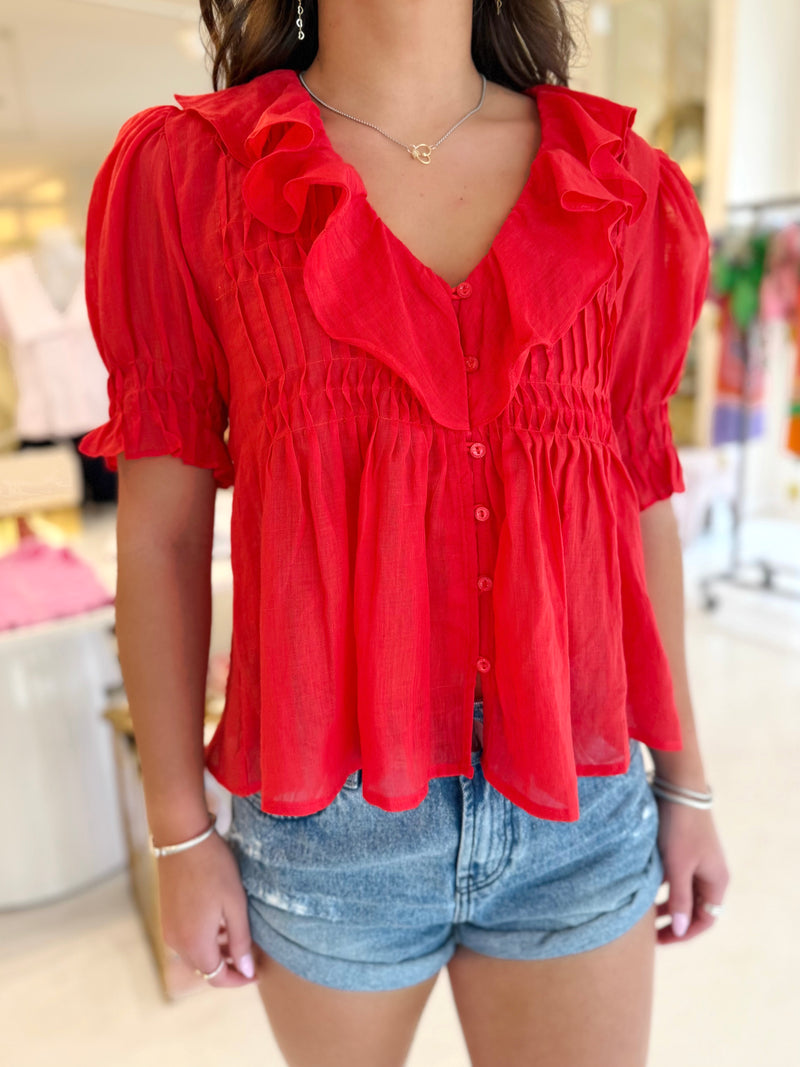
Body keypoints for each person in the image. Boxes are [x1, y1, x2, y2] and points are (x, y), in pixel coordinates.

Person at [78, 1, 731, 1064]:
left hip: (578, 798)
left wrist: (684, 779)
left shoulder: (620, 183)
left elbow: (637, 505)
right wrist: (179, 831)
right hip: (328, 821)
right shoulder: (191, 175)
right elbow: (160, 539)